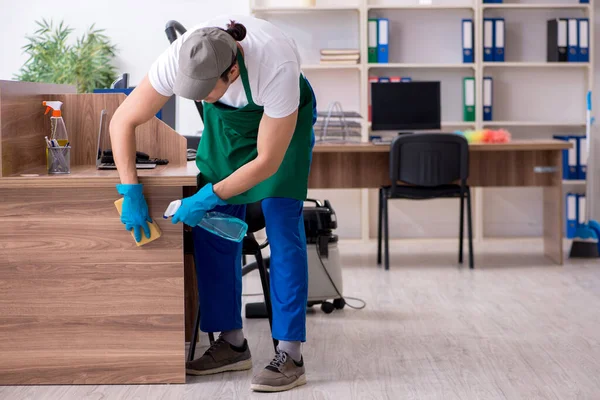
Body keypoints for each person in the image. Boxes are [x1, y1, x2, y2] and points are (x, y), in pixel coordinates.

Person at [109, 14, 316, 393]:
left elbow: (267, 161)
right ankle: (232, 342)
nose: (200, 98)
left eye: (207, 90)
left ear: (233, 70)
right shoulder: (182, 56)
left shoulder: (276, 65)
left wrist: (210, 193)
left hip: (283, 125)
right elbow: (123, 121)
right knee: (212, 227)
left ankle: (290, 353)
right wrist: (130, 189)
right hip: (228, 128)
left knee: (282, 225)